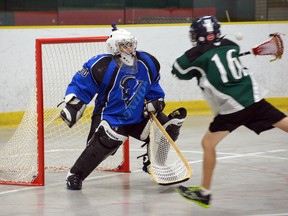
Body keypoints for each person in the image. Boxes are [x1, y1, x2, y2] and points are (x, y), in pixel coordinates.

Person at [172, 15, 288, 208]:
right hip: (254, 98)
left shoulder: (196, 54)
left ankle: (204, 193)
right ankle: (204, 192)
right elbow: (222, 57)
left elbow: (178, 70)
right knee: (284, 123)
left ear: (198, 35)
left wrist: (197, 68)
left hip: (232, 108)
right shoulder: (231, 44)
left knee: (208, 144)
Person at [59, 24, 187, 190]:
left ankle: (153, 163)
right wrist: (74, 104)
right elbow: (81, 84)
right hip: (111, 116)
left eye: (130, 44)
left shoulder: (147, 62)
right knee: (107, 141)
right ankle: (75, 175)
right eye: (123, 45)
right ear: (114, 47)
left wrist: (156, 100)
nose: (129, 48)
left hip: (137, 116)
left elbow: (153, 84)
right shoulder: (102, 65)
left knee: (167, 128)